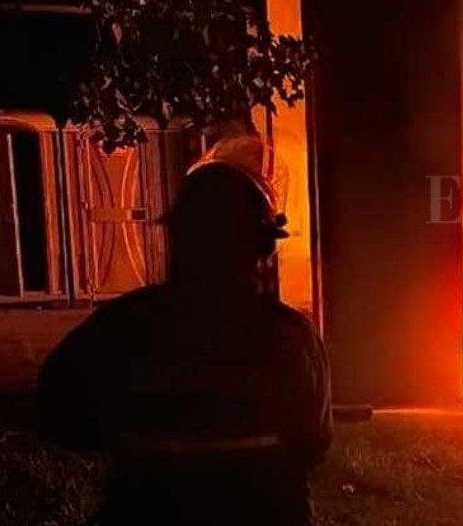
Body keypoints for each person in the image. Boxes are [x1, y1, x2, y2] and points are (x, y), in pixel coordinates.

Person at [36, 143, 331, 526]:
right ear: (262, 249)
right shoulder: (292, 338)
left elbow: (56, 417)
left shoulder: (124, 325)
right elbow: (314, 444)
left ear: (177, 237)